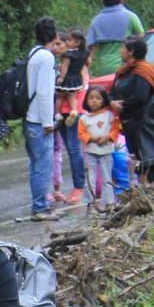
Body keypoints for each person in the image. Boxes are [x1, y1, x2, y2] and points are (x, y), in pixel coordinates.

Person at [110, 35, 154, 183]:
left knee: (145, 160)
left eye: (123, 48)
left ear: (131, 52)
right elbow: (111, 93)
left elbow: (140, 97)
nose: (120, 52)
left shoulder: (143, 71)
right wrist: (111, 102)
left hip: (143, 124)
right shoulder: (123, 72)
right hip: (128, 123)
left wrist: (122, 105)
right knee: (135, 158)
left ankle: (148, 190)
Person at [24, 16, 61, 218]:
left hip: (30, 118)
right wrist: (49, 122)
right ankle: (40, 207)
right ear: (54, 36)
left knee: (35, 163)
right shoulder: (47, 58)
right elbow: (45, 92)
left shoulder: (34, 53)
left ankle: (40, 203)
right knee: (42, 165)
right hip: (39, 120)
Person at [51, 30, 89, 205]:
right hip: (62, 109)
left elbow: (83, 85)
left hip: (73, 109)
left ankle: (79, 187)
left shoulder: (77, 63)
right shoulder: (59, 64)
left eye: (60, 43)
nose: (56, 47)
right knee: (66, 147)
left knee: (73, 148)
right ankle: (68, 188)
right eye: (55, 44)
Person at [77, 85, 121, 213]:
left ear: (104, 100)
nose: (94, 101)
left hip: (106, 151)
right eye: (91, 98)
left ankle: (109, 203)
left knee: (107, 178)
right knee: (90, 178)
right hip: (90, 151)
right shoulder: (84, 118)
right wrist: (92, 139)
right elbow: (81, 133)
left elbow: (115, 129)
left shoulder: (109, 116)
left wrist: (107, 138)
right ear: (86, 101)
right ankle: (90, 202)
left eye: (98, 98)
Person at [87, 0, 145, 77]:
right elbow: (141, 36)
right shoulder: (130, 16)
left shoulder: (96, 21)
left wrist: (85, 71)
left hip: (105, 69)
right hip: (127, 66)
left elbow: (91, 51)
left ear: (103, 1)